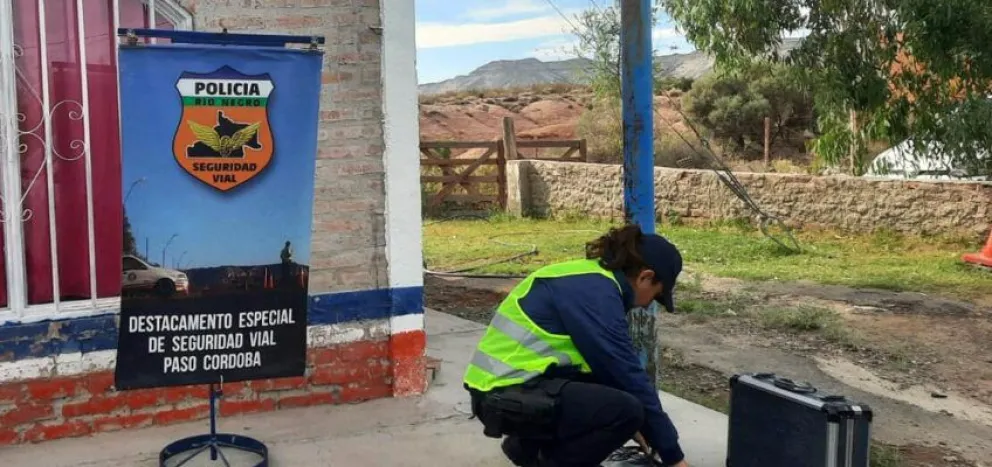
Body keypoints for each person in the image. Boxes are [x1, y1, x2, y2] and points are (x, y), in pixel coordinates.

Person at [463, 223, 689, 467]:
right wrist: (674, 458)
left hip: (508, 389)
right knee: (627, 410)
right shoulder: (597, 295)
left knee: (616, 400)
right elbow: (627, 375)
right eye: (656, 296)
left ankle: (526, 450)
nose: (647, 305)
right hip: (502, 396)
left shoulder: (590, 278)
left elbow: (605, 372)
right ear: (646, 277)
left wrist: (643, 426)